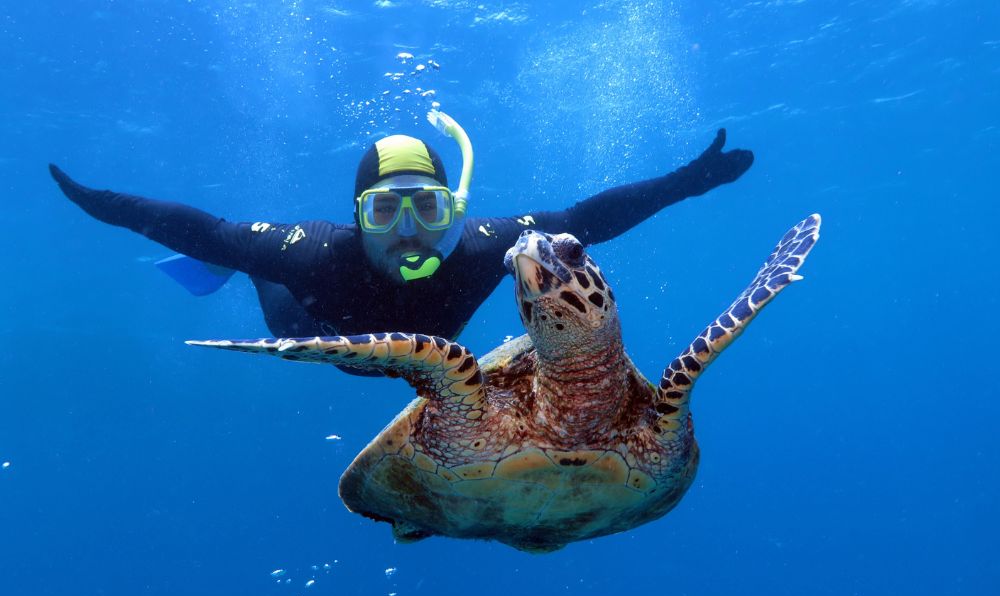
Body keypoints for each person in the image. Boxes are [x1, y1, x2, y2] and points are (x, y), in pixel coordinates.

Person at [49, 111, 753, 369]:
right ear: (359, 217)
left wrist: (686, 181)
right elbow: (200, 227)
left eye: (428, 208)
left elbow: (585, 218)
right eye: (387, 213)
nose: (411, 231)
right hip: (314, 324)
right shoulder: (314, 249)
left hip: (427, 352)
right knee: (241, 256)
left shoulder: (486, 245)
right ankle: (239, 274)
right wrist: (99, 204)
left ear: (455, 208)